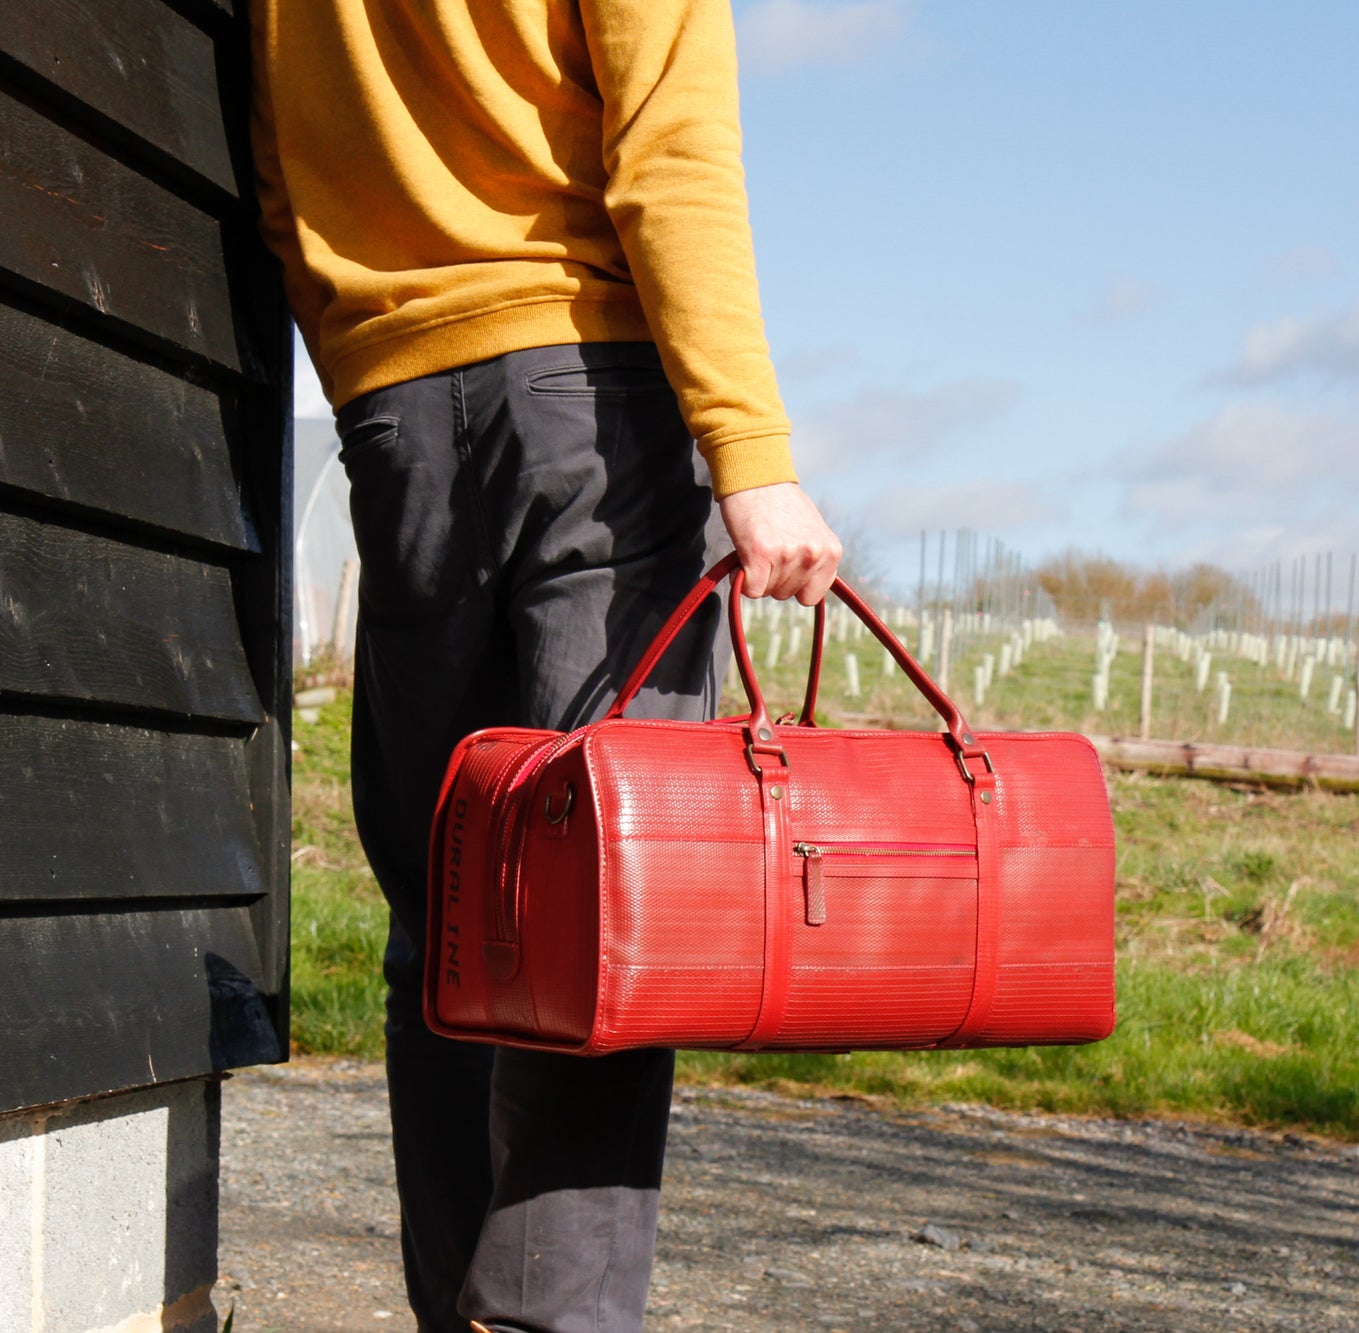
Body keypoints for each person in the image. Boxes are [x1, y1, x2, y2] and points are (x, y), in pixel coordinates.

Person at [251, 3, 842, 1329]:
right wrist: (751, 452)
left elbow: (280, 158)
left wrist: (366, 353)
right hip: (594, 406)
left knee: (454, 910)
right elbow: (670, 148)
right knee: (607, 920)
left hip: (396, 411)